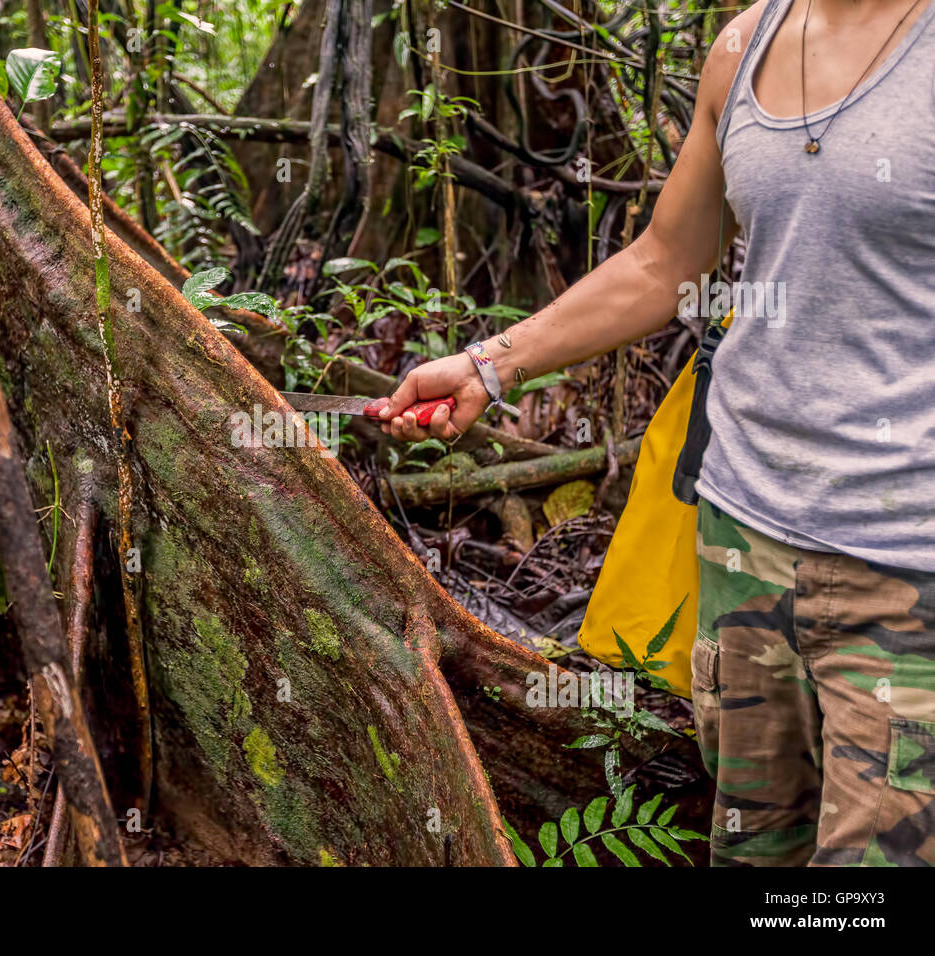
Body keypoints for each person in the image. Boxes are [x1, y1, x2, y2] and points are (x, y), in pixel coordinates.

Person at [381, 0, 935, 866]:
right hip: (744, 540)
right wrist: (491, 365)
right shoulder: (744, 46)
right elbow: (666, 263)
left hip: (907, 565)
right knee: (756, 852)